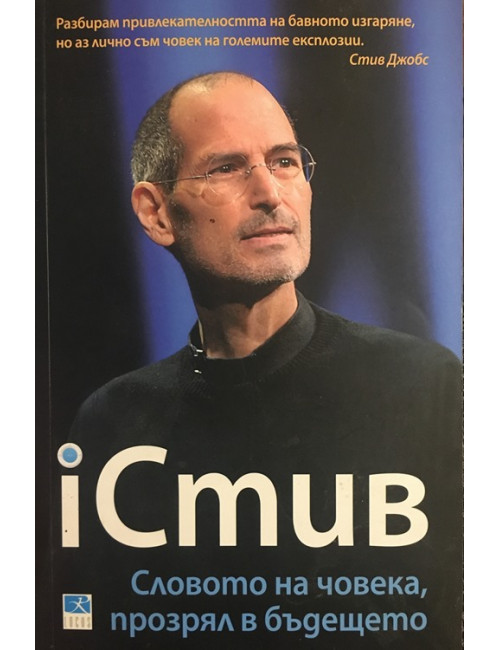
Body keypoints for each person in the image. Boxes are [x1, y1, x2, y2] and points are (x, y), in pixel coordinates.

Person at [65, 72, 462, 649]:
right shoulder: (112, 424)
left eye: (284, 162)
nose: (270, 193)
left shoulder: (426, 387)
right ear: (156, 213)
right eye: (226, 168)